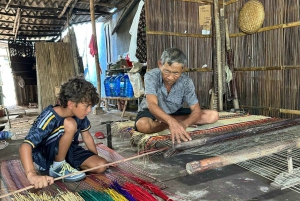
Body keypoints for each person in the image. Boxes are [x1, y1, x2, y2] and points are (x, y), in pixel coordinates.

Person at [19, 77, 107, 189]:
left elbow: (87, 136)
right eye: (86, 106)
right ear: (71, 104)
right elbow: (25, 146)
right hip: (47, 154)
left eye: (91, 106)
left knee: (101, 166)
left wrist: (95, 156)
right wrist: (31, 174)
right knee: (70, 123)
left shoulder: (80, 116)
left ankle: (65, 166)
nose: (89, 110)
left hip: (70, 150)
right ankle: (57, 166)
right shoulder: (50, 117)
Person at [135, 48, 219, 144]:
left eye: (175, 73)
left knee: (213, 115)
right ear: (160, 64)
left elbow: (196, 109)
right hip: (153, 113)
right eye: (166, 71)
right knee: (142, 125)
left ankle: (170, 123)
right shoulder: (151, 76)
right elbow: (152, 105)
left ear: (182, 69)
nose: (170, 77)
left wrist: (185, 124)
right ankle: (170, 124)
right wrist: (171, 122)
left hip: (175, 112)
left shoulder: (186, 82)